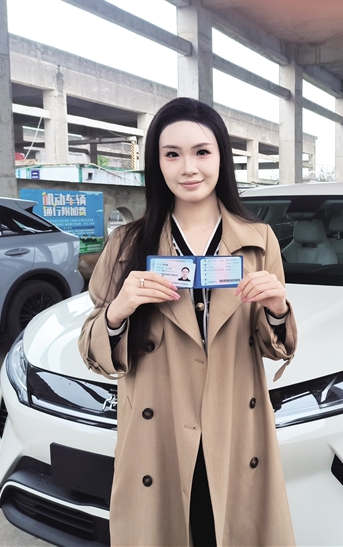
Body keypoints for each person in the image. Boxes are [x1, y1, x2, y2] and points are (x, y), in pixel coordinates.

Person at [79, 97, 297, 546]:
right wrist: (119, 310)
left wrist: (277, 309)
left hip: (233, 429)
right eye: (172, 154)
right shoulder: (126, 244)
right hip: (157, 433)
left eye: (201, 152)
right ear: (156, 163)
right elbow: (91, 349)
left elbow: (273, 346)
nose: (188, 168)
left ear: (221, 158)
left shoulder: (258, 241)